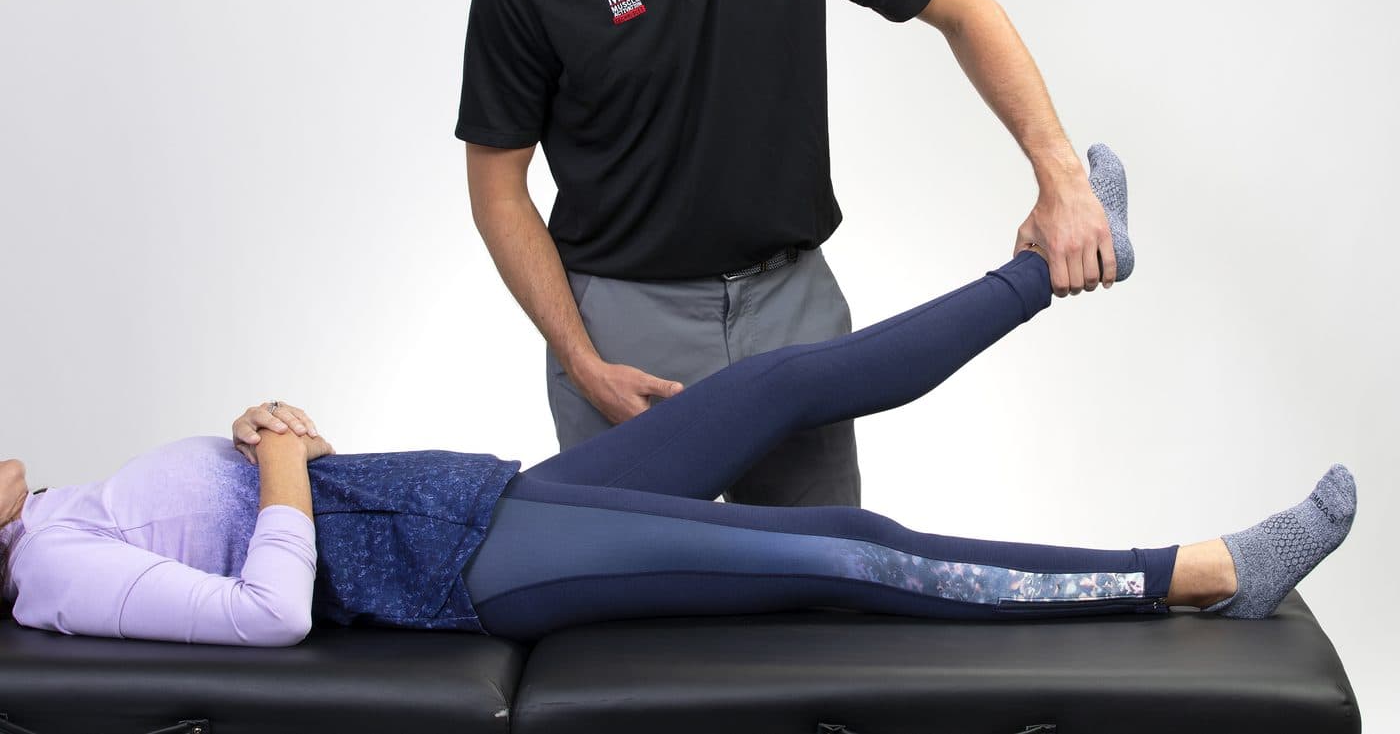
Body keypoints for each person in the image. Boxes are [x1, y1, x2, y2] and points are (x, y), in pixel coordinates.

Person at [0, 149, 1355, 645]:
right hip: (481, 572)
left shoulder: (64, 513)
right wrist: (285, 469)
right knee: (849, 552)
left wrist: (278, 438)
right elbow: (270, 610)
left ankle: (1061, 264)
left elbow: (280, 521)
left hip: (485, 504)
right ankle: (1194, 573)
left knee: (773, 381)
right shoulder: (52, 567)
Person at [457, 0, 1120, 508]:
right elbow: (498, 192)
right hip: (627, 323)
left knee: (817, 606)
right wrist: (582, 358)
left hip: (791, 306)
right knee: (644, 620)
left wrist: (1061, 176)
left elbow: (965, 8)